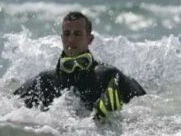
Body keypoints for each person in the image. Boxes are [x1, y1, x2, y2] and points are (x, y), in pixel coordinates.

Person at [14, 11, 146, 121]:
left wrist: (114, 117)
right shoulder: (44, 80)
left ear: (90, 39)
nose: (71, 39)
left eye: (77, 34)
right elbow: (9, 110)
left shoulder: (109, 76)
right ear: (61, 38)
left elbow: (147, 107)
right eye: (67, 34)